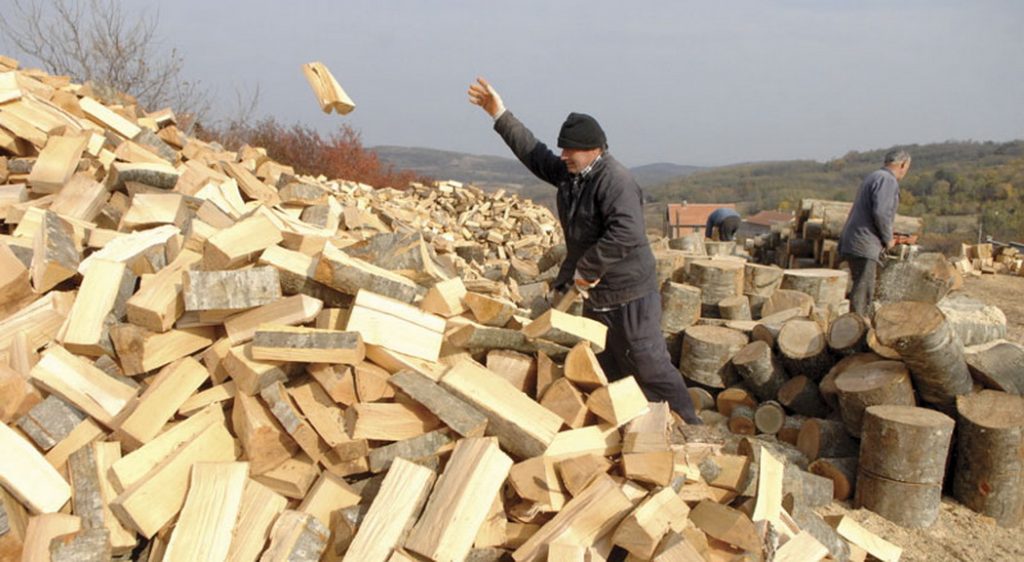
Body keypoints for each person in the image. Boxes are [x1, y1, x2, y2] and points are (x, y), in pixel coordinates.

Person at [467, 77, 702, 424]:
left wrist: (587, 268)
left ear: (593, 148)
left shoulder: (615, 180)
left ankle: (690, 426)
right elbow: (533, 152)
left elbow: (625, 232)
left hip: (631, 294)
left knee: (649, 364)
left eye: (570, 150)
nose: (563, 156)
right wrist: (499, 114)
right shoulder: (571, 174)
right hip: (598, 297)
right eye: (562, 150)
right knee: (608, 370)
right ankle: (631, 432)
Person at [838, 149, 911, 316]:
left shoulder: (875, 176)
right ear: (903, 164)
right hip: (864, 243)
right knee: (864, 291)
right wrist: (888, 238)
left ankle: (857, 325)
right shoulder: (887, 180)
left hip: (854, 240)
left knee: (861, 288)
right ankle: (857, 330)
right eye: (907, 168)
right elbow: (881, 212)